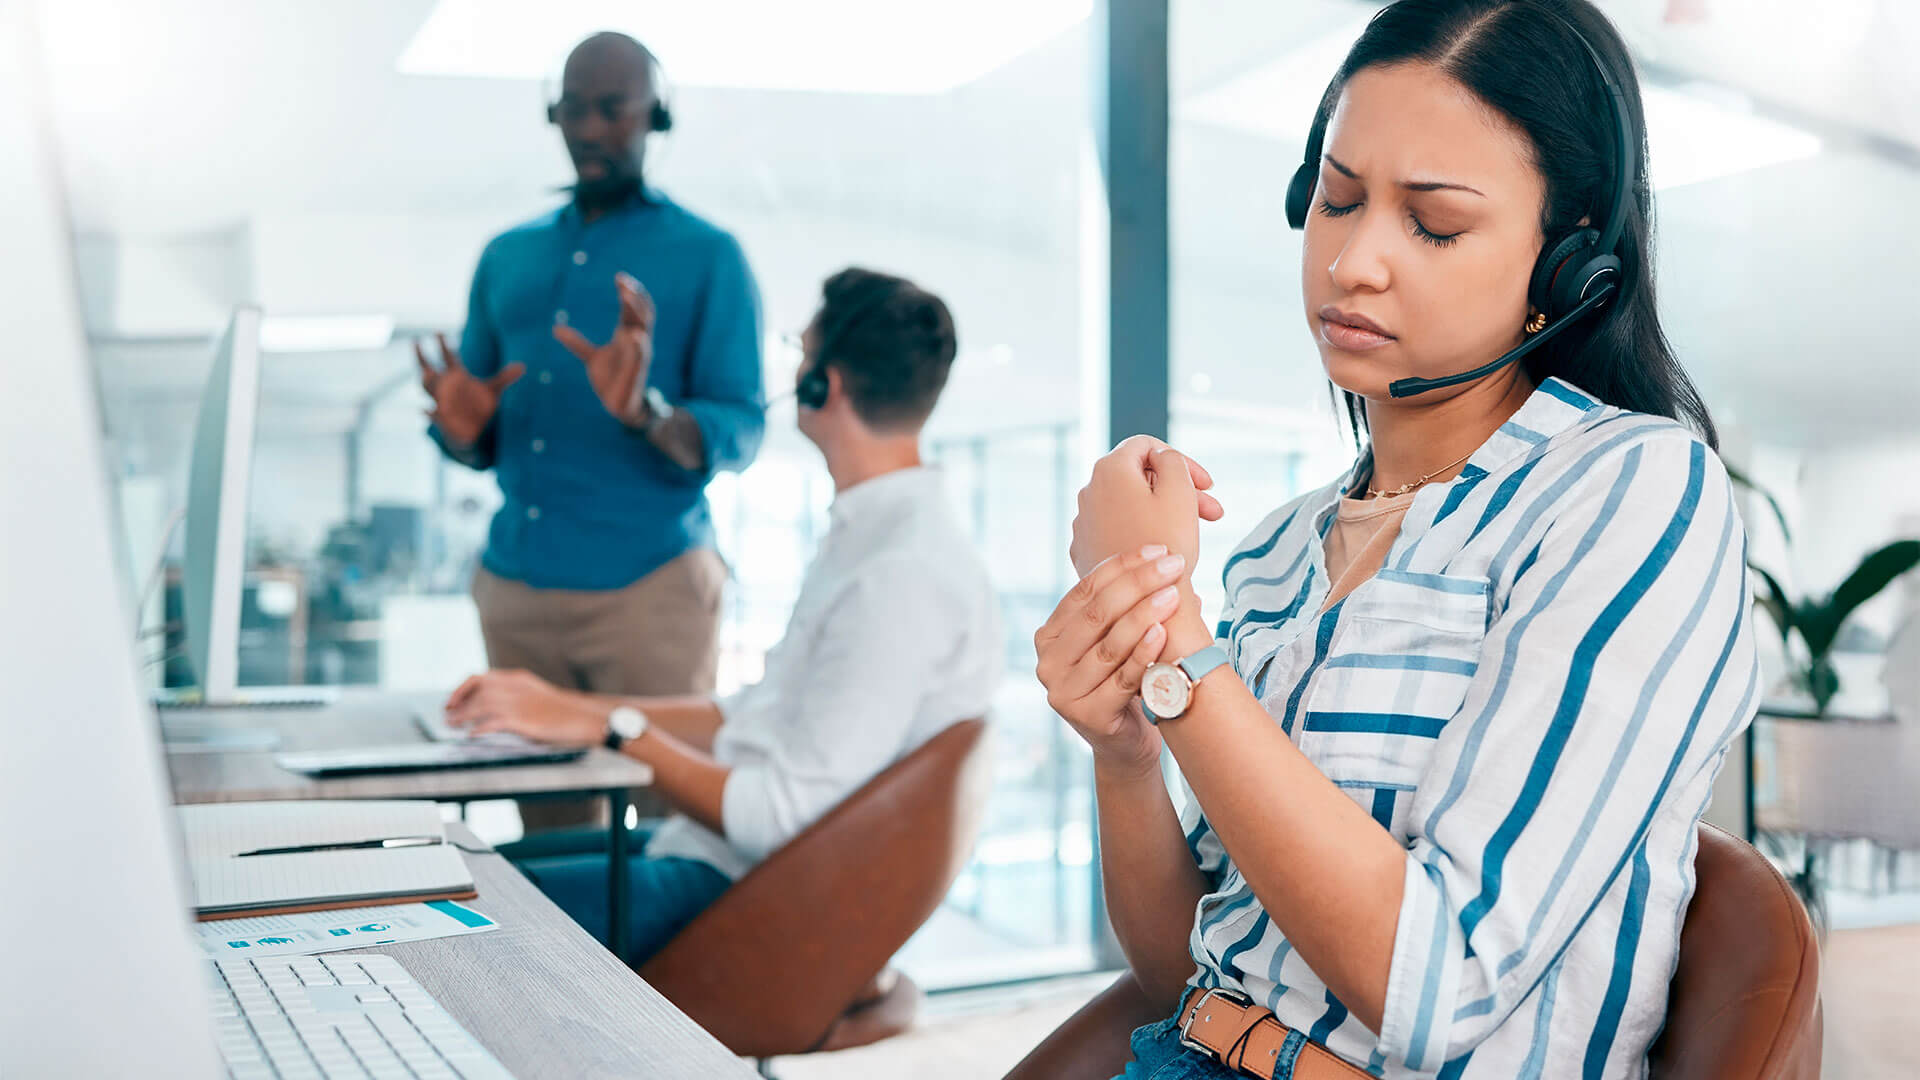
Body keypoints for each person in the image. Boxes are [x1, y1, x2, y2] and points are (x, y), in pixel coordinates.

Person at [1035, 2, 1759, 1076]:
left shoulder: (1631, 491)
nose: (1353, 263)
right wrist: (1127, 751)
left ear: (1570, 265)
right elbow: (1180, 964)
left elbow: (1441, 983)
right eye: (1336, 199)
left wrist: (1174, 638)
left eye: (1432, 224)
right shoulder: (1280, 550)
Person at [442, 269, 1002, 967]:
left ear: (819, 383)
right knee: (461, 865)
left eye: (802, 351)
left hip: (746, 893)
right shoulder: (876, 536)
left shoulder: (900, 573)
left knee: (439, 907)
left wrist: (611, 729)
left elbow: (778, 818)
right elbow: (750, 716)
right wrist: (562, 705)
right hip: (714, 858)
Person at [415, 31, 764, 832]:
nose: (591, 129)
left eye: (613, 108)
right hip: (516, 589)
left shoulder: (710, 257)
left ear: (657, 116)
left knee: (669, 821)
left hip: (649, 593)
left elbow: (740, 429)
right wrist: (464, 433)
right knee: (551, 832)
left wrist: (644, 410)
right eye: (573, 109)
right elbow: (480, 427)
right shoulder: (506, 257)